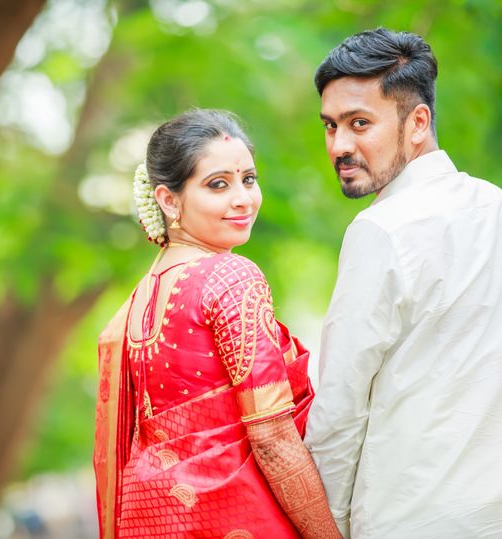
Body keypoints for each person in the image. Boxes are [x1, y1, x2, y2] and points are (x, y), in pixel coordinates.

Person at [303, 29, 502, 538]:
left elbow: (340, 412)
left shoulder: (380, 230)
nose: (340, 145)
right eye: (330, 125)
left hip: (415, 522)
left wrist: (326, 526)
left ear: (418, 122)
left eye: (360, 123)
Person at [93, 109, 341, 539]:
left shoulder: (136, 303)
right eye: (218, 185)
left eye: (248, 178)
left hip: (156, 520)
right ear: (169, 200)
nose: (243, 198)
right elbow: (273, 439)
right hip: (234, 518)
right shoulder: (230, 277)